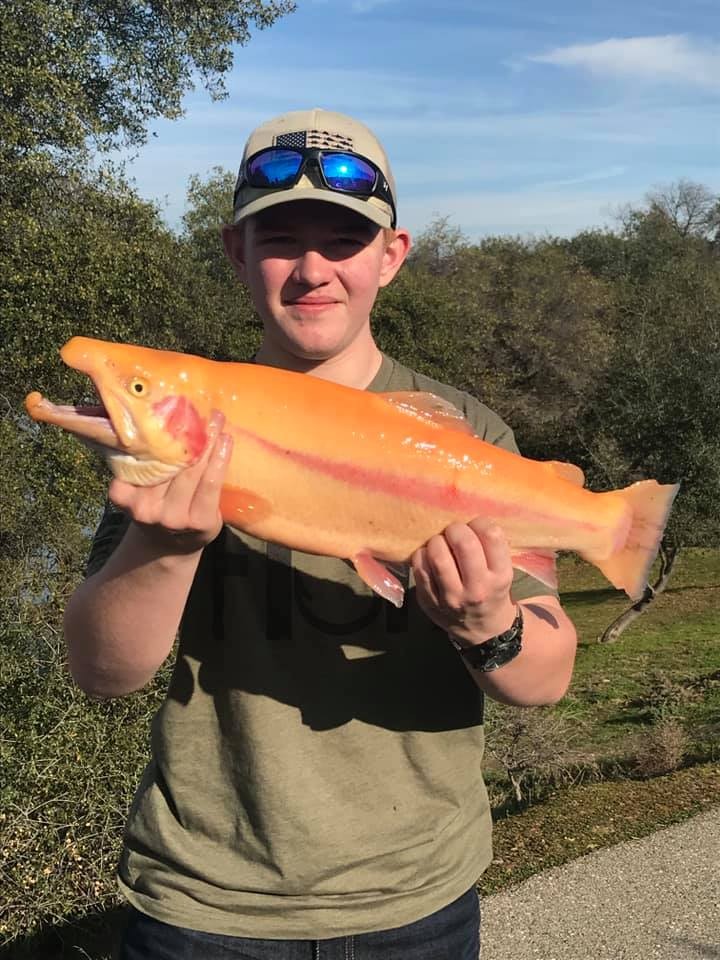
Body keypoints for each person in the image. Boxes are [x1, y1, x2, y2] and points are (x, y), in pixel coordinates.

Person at [64, 108, 577, 959]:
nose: (312, 270)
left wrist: (490, 626)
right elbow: (104, 672)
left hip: (419, 895)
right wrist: (165, 545)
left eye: (343, 241)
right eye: (279, 238)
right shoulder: (186, 424)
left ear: (391, 256)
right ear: (236, 253)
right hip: (204, 900)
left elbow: (548, 673)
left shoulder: (470, 436)